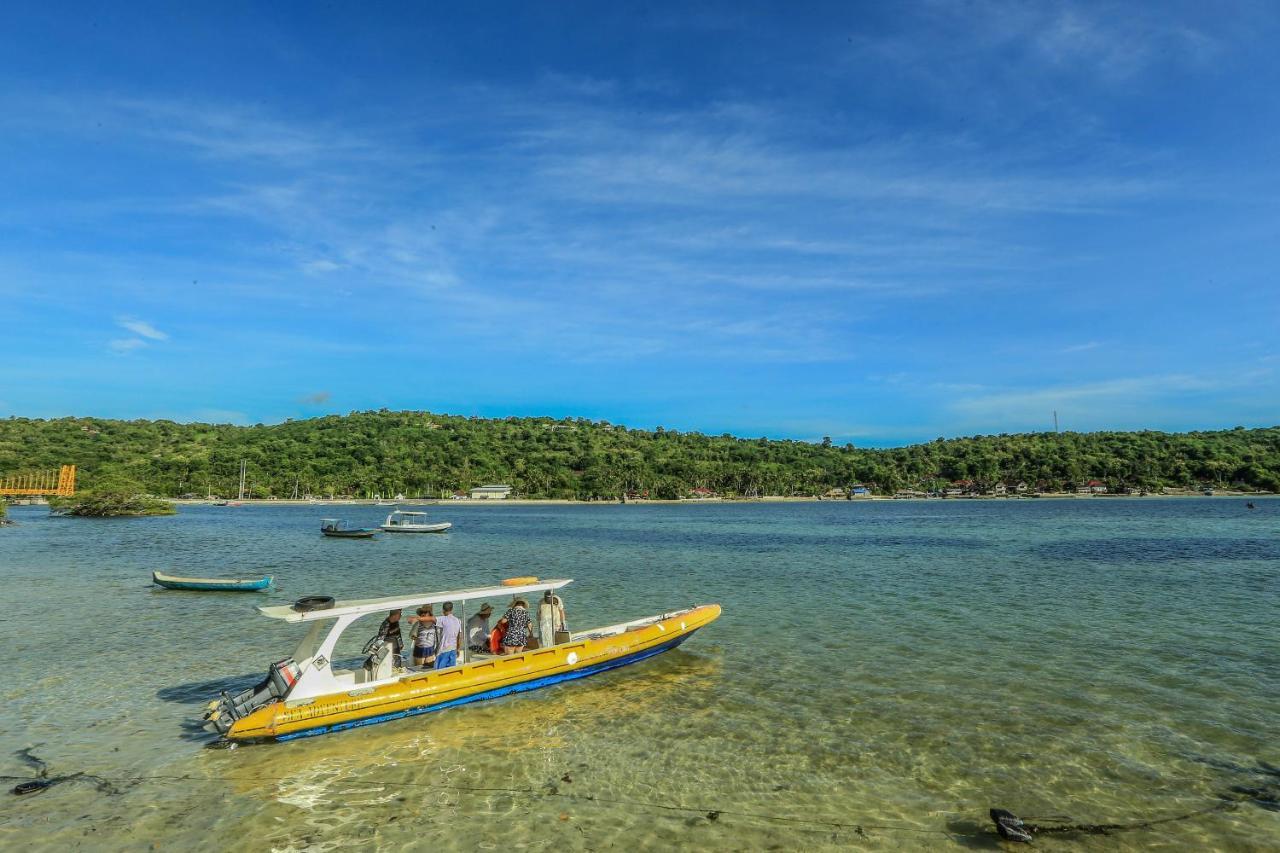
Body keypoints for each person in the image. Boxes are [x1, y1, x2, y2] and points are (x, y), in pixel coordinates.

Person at [434, 601, 463, 669]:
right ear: (451, 609)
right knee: (451, 670)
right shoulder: (458, 620)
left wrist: (418, 618)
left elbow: (431, 619)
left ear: (443, 610)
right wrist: (458, 649)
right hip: (453, 649)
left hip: (444, 650)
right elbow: (459, 637)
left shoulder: (442, 619)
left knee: (439, 670)